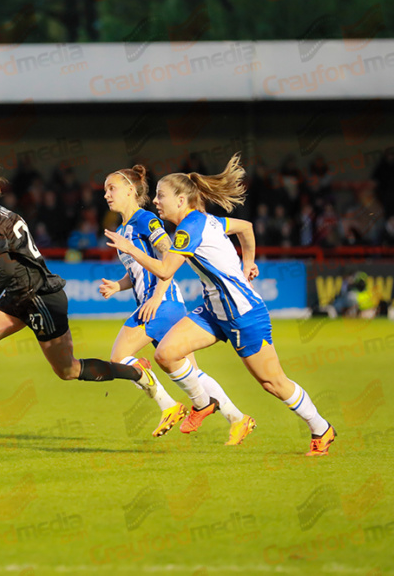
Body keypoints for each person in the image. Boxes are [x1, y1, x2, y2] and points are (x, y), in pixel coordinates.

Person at [105, 153, 336, 456]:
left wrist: (131, 249)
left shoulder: (190, 229)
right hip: (214, 311)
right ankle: (203, 404)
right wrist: (248, 264)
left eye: (161, 196)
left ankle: (321, 429)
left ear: (181, 200)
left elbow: (164, 270)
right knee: (166, 353)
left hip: (244, 315)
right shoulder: (205, 221)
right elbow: (246, 228)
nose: (156, 201)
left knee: (273, 382)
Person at [0, 160, 158, 440]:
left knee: (68, 370)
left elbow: (6, 268)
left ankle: (135, 372)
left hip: (39, 297)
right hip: (18, 295)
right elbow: (1, 257)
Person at [99, 165, 253, 443]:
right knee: (192, 373)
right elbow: (140, 269)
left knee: (119, 358)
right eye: (105, 190)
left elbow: (168, 255)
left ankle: (168, 405)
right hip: (164, 304)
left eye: (112, 188)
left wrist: (157, 296)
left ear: (131, 190)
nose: (107, 194)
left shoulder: (146, 220)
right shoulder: (125, 228)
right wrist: (118, 285)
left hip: (161, 303)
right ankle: (238, 419)